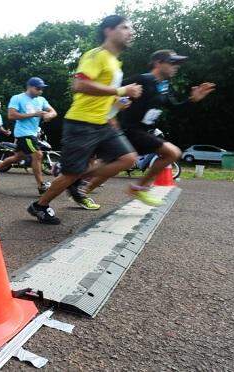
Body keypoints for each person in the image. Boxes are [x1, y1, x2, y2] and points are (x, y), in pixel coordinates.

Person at [27, 15, 142, 224]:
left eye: (130, 28)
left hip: (103, 123)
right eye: (125, 27)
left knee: (128, 159)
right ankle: (39, 206)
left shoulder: (115, 63)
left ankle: (78, 177)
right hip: (82, 122)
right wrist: (122, 89)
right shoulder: (97, 55)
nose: (130, 32)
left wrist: (118, 102)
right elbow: (78, 85)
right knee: (71, 173)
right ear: (108, 30)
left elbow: (104, 95)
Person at [84, 50, 215, 205]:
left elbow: (176, 109)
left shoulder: (165, 87)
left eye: (178, 64)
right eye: (172, 62)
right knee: (172, 153)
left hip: (143, 131)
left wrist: (193, 100)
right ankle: (137, 187)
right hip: (129, 130)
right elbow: (111, 90)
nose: (176, 67)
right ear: (158, 63)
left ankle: (78, 189)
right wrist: (112, 114)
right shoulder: (143, 79)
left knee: (108, 168)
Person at [0, 78, 56, 194]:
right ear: (29, 87)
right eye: (38, 88)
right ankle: (41, 186)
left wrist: (50, 115)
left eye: (42, 89)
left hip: (33, 133)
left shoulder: (41, 99)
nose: (40, 91)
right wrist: (34, 114)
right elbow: (11, 115)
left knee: (17, 157)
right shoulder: (17, 98)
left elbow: (53, 111)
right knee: (38, 154)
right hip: (23, 133)